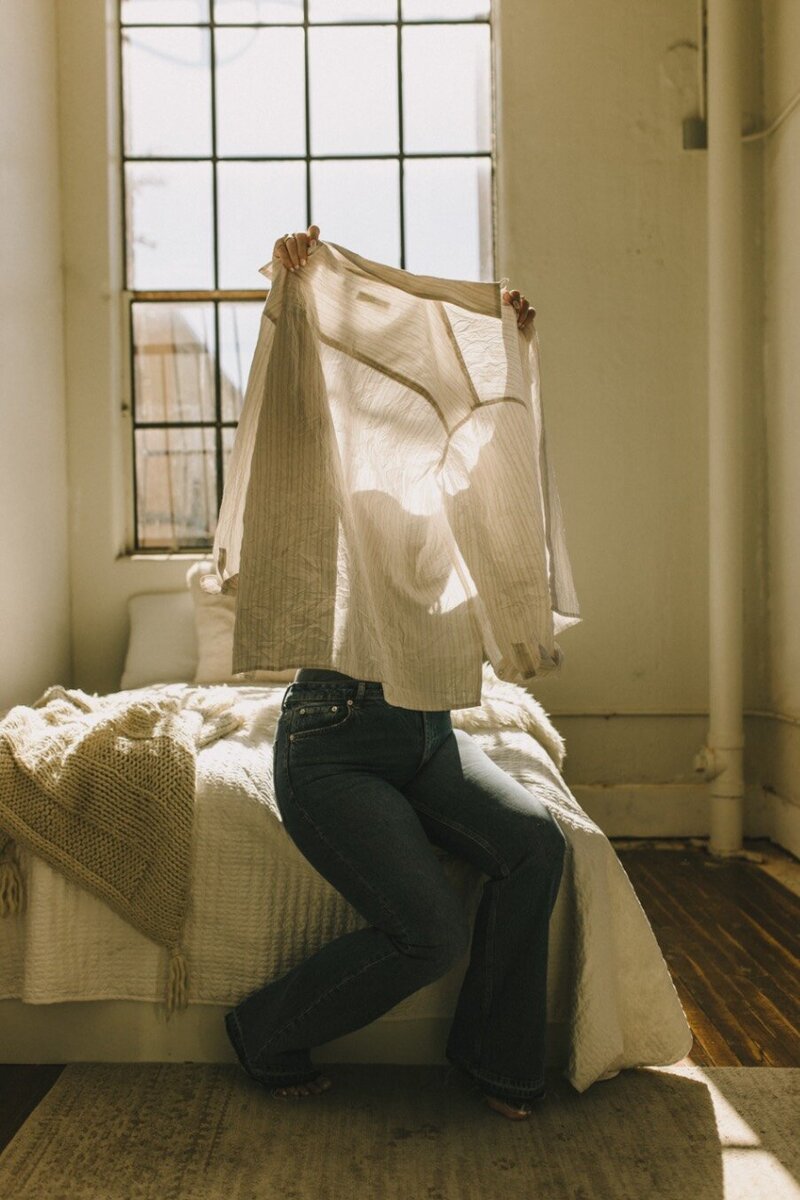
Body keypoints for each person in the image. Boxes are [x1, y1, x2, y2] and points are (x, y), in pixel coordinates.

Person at [224, 225, 565, 1122]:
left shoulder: (458, 518)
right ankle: (262, 1030)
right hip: (331, 743)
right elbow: (296, 428)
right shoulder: (342, 507)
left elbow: (507, 467)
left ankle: (496, 1055)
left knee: (538, 847)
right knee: (429, 935)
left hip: (429, 735)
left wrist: (511, 357)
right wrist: (296, 298)